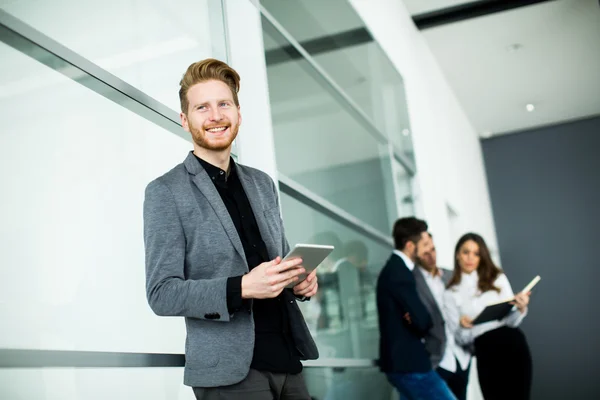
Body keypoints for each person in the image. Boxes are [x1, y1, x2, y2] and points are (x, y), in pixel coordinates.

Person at [143, 58, 319, 400]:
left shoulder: (262, 183)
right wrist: (243, 287)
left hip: (288, 360)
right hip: (230, 373)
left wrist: (300, 282)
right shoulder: (166, 191)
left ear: (238, 113)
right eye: (202, 107)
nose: (215, 115)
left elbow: (278, 264)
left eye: (224, 104)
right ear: (185, 120)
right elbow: (162, 293)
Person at [444, 233, 532, 400]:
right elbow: (461, 339)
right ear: (457, 254)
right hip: (485, 351)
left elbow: (511, 323)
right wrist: (463, 326)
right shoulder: (450, 293)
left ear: (482, 257)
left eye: (476, 253)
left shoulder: (497, 279)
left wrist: (520, 308)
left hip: (513, 345)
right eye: (466, 252)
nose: (470, 258)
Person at [376, 217, 456, 400]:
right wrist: (416, 319)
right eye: (425, 243)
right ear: (411, 246)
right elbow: (423, 320)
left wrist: (412, 317)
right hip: (409, 364)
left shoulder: (396, 269)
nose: (429, 248)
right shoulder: (400, 273)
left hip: (403, 364)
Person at [415, 233, 471, 400]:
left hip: (462, 357)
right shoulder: (413, 282)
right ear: (416, 254)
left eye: (433, 249)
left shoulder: (452, 276)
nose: (431, 255)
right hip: (438, 360)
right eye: (425, 252)